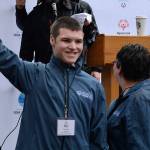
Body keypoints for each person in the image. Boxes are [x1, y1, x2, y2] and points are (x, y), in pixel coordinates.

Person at [0, 17, 108, 150]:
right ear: (52, 40)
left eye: (78, 41)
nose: (73, 47)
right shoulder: (34, 74)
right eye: (66, 40)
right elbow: (3, 56)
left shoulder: (94, 86)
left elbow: (99, 140)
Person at [15, 0, 101, 80]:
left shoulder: (81, 7)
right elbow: (26, 48)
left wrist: (96, 68)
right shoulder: (37, 12)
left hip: (76, 72)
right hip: (45, 74)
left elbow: (94, 36)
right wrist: (27, 75)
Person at [107, 44, 150, 150]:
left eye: (114, 62)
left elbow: (139, 144)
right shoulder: (133, 95)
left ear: (119, 67)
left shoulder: (139, 100)